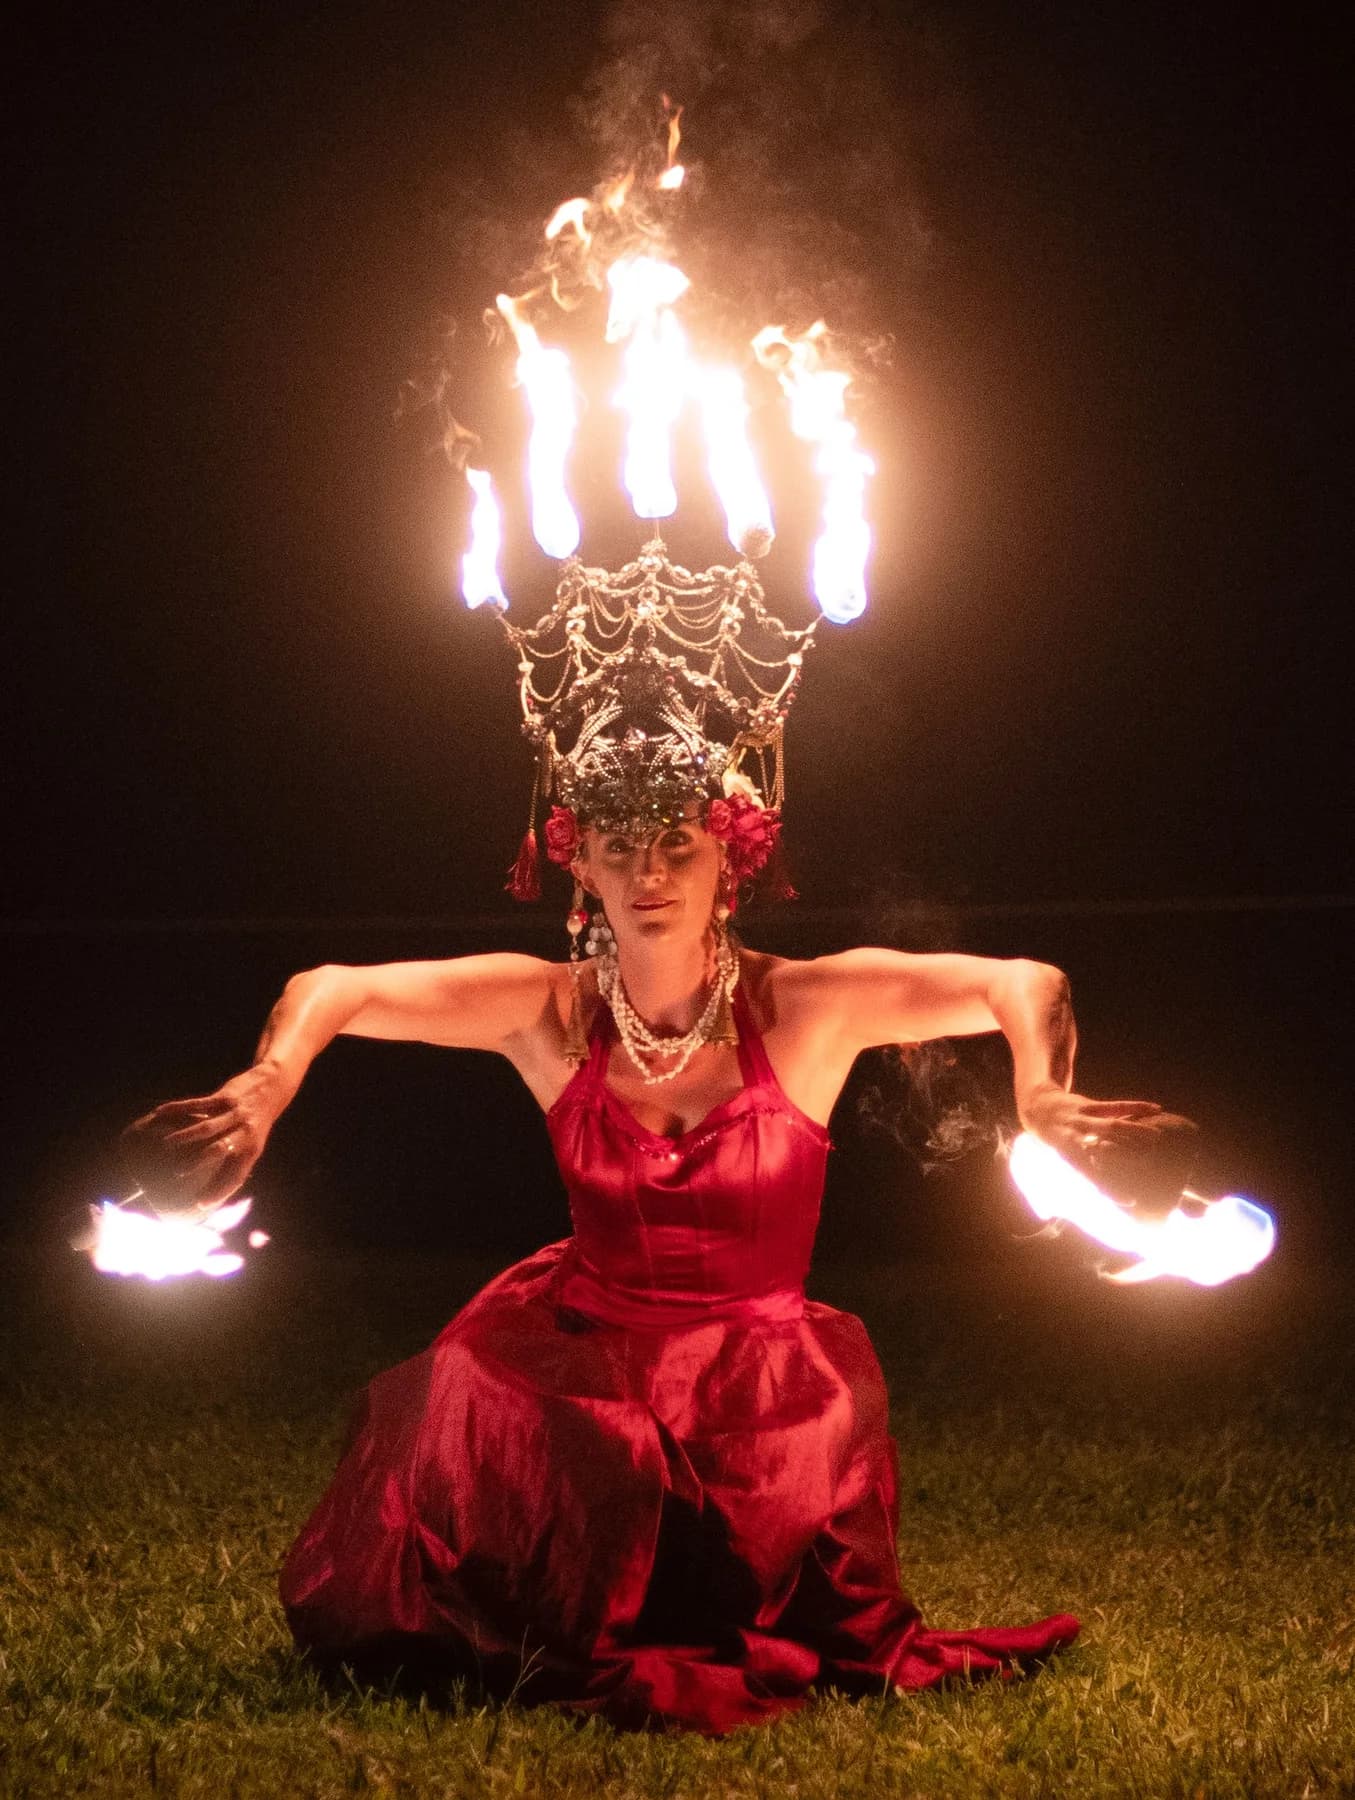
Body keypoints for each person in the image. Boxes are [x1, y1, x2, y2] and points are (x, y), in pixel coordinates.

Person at [123, 549, 1185, 1732]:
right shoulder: (548, 1009)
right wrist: (264, 1089)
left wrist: (1041, 1101)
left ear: (729, 857)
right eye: (618, 847)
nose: (647, 872)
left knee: (727, 1562)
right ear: (573, 856)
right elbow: (331, 985)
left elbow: (1020, 981)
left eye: (675, 842)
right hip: (586, 1363)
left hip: (766, 1386)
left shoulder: (808, 1007)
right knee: (512, 1409)